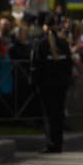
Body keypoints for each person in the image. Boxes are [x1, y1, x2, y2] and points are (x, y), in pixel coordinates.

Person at [30, 12, 73, 153]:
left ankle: (51, 144)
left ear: (44, 26)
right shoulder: (64, 43)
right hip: (61, 85)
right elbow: (69, 64)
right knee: (59, 114)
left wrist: (35, 82)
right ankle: (58, 143)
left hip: (46, 85)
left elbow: (36, 65)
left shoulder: (40, 44)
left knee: (49, 115)